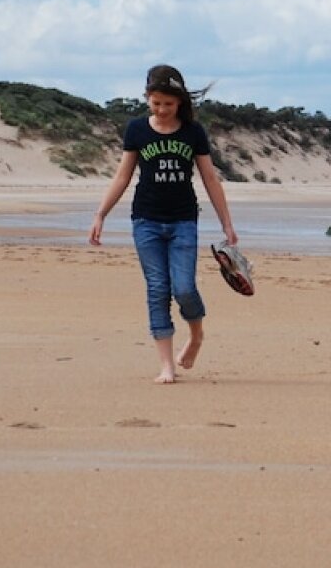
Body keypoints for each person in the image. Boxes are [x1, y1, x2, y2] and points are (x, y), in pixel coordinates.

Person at [90, 64, 238, 384]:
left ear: (180, 102)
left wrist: (227, 223)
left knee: (184, 288)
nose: (162, 109)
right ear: (148, 98)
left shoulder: (192, 132)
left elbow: (210, 178)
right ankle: (166, 366)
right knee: (157, 290)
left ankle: (196, 335)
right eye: (156, 103)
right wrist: (100, 214)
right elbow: (123, 175)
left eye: (169, 104)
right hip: (146, 221)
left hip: (183, 220)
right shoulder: (137, 130)